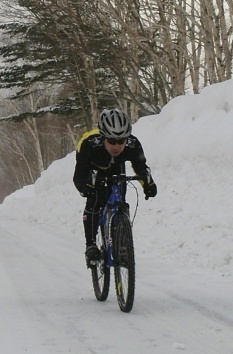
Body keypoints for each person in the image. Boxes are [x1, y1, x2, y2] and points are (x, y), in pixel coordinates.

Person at [73, 108, 157, 268]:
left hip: (117, 169)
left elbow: (141, 167)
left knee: (120, 198)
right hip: (94, 170)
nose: (117, 146)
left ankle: (121, 239)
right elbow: (79, 175)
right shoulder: (90, 144)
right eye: (111, 141)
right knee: (95, 200)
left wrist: (149, 184)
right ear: (103, 137)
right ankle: (90, 245)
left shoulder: (132, 144)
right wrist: (85, 188)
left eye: (121, 141)